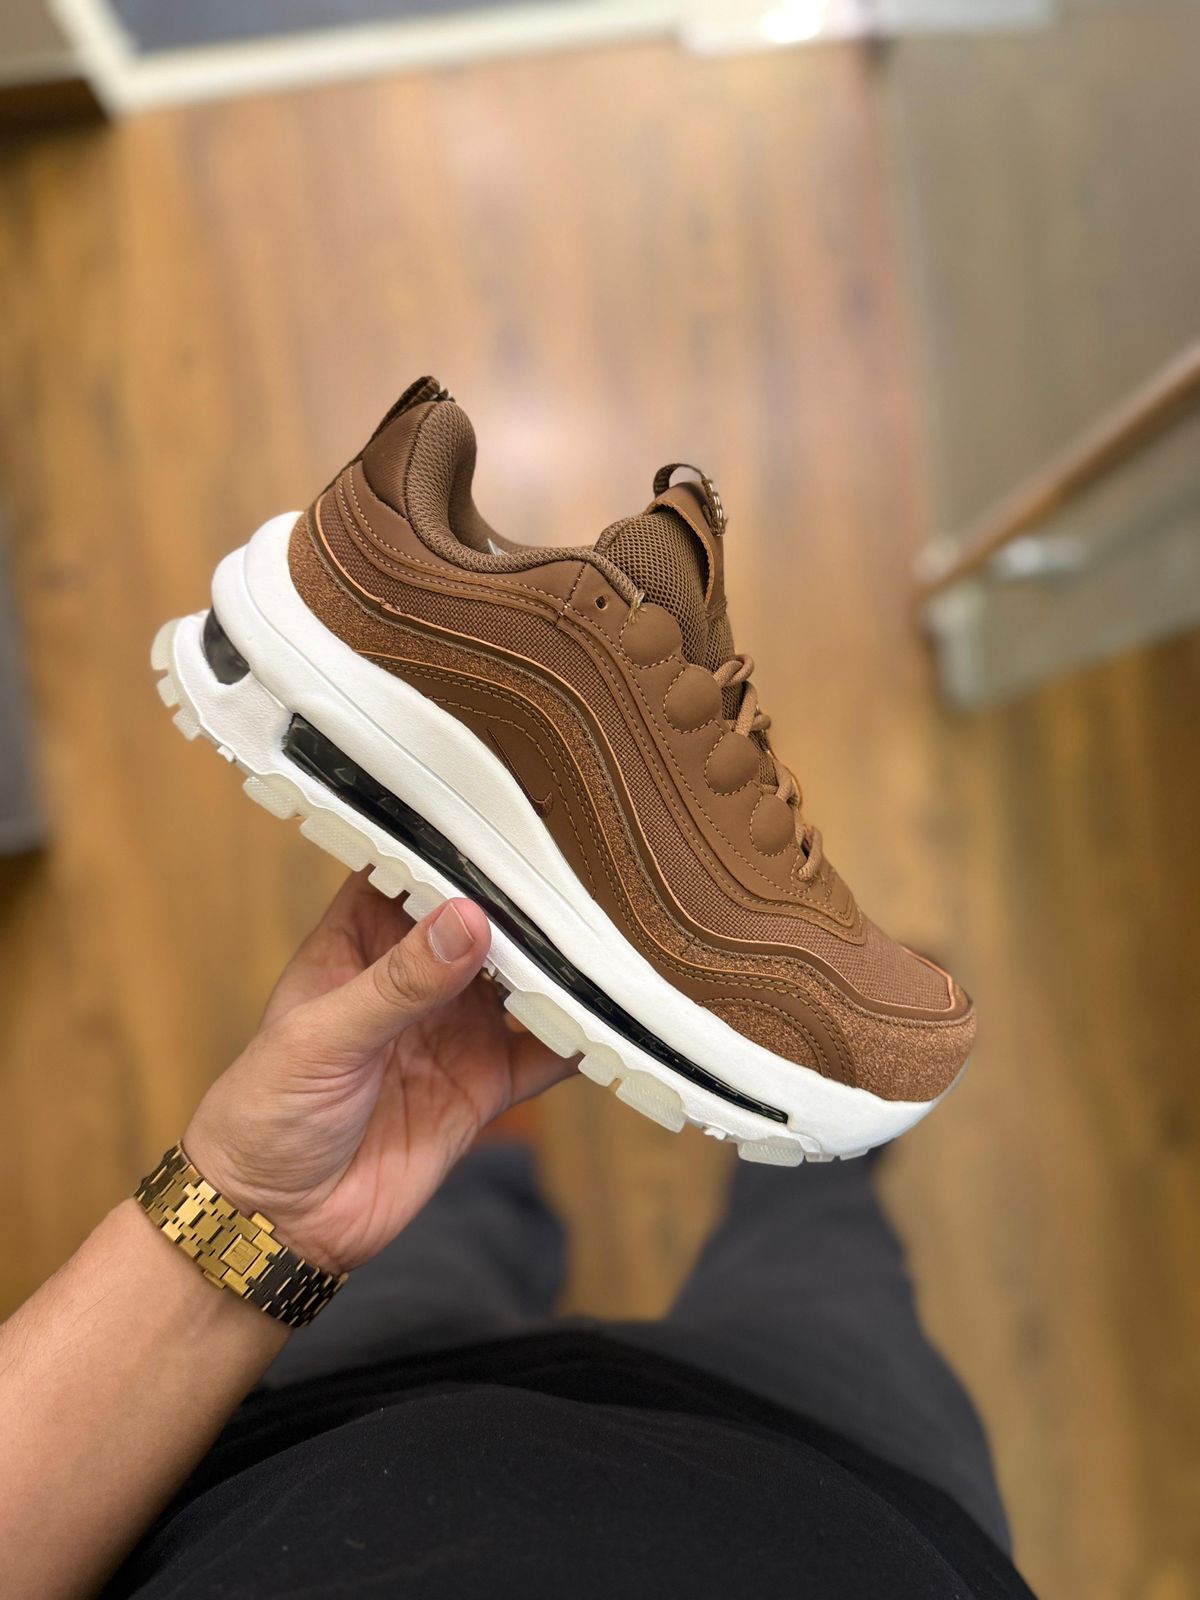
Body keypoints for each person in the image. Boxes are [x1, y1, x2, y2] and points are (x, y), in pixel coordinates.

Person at [0, 873, 1034, 1599]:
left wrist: (258, 1207)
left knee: (442, 1205)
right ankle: (827, 1134)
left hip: (338, 1424)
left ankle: (474, 1111)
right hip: (848, 1475)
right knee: (824, 1236)